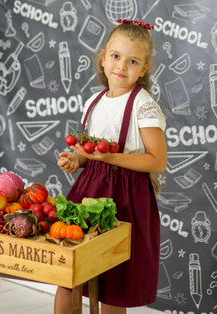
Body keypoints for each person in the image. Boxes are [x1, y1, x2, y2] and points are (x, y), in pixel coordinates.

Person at [55, 19, 167, 314]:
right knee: (69, 277)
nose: (121, 66)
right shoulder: (94, 101)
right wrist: (76, 159)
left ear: (143, 69)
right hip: (89, 190)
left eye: (132, 61)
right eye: (115, 57)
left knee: (113, 285)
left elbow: (158, 160)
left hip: (127, 198)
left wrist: (110, 159)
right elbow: (91, 152)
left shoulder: (143, 105)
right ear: (103, 58)